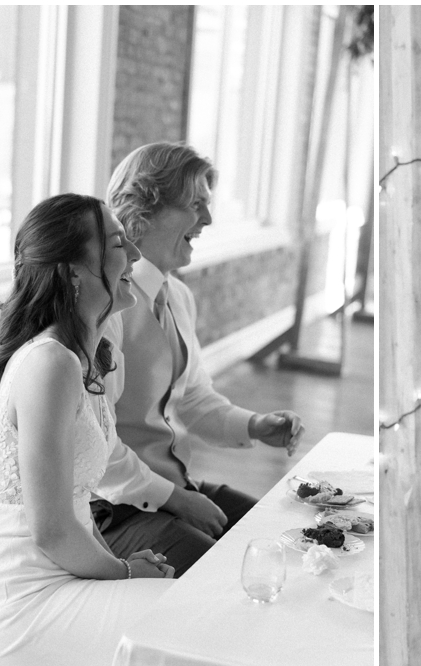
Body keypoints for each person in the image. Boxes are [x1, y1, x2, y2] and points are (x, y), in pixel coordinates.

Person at [0, 193, 174, 666]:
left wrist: (124, 571)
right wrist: (125, 572)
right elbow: (52, 530)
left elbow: (73, 511)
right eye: (117, 244)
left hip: (62, 578)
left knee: (182, 613)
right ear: (73, 272)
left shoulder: (87, 356)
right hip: (21, 607)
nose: (137, 257)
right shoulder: (50, 364)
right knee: (179, 628)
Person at [91, 142, 304, 576]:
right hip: (113, 511)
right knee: (233, 574)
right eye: (195, 205)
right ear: (145, 210)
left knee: (286, 540)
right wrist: (178, 500)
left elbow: (193, 398)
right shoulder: (106, 310)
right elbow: (95, 446)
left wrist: (255, 426)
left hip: (172, 489)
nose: (207, 219)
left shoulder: (179, 297)